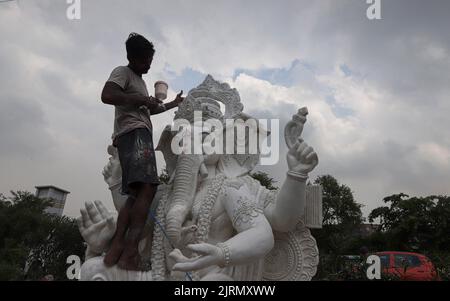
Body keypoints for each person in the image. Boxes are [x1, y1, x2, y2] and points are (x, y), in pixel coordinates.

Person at [100, 33, 184, 270]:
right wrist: (138, 98)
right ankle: (130, 253)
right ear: (132, 57)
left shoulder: (140, 80)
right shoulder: (122, 73)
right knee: (148, 188)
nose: (148, 65)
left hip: (139, 132)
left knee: (137, 194)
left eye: (150, 60)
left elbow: (148, 111)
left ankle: (117, 249)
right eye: (145, 60)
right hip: (133, 134)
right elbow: (107, 95)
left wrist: (172, 104)